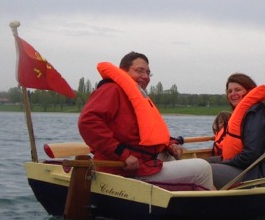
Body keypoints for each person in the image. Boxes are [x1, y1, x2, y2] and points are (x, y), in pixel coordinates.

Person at [78, 51, 215, 191]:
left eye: (148, 73)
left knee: (168, 156)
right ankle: (210, 206)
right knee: (202, 168)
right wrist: (123, 155)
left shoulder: (137, 97)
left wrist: (170, 144)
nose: (145, 76)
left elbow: (150, 132)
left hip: (145, 161)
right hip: (125, 168)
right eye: (139, 71)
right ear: (123, 71)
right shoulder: (112, 90)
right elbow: (87, 123)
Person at [208, 73, 265, 188]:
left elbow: (250, 155)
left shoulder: (256, 115)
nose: (233, 94)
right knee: (200, 163)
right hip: (245, 167)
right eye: (230, 91)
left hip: (261, 174)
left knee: (202, 170)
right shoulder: (244, 114)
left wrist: (224, 162)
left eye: (237, 90)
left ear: (249, 91)